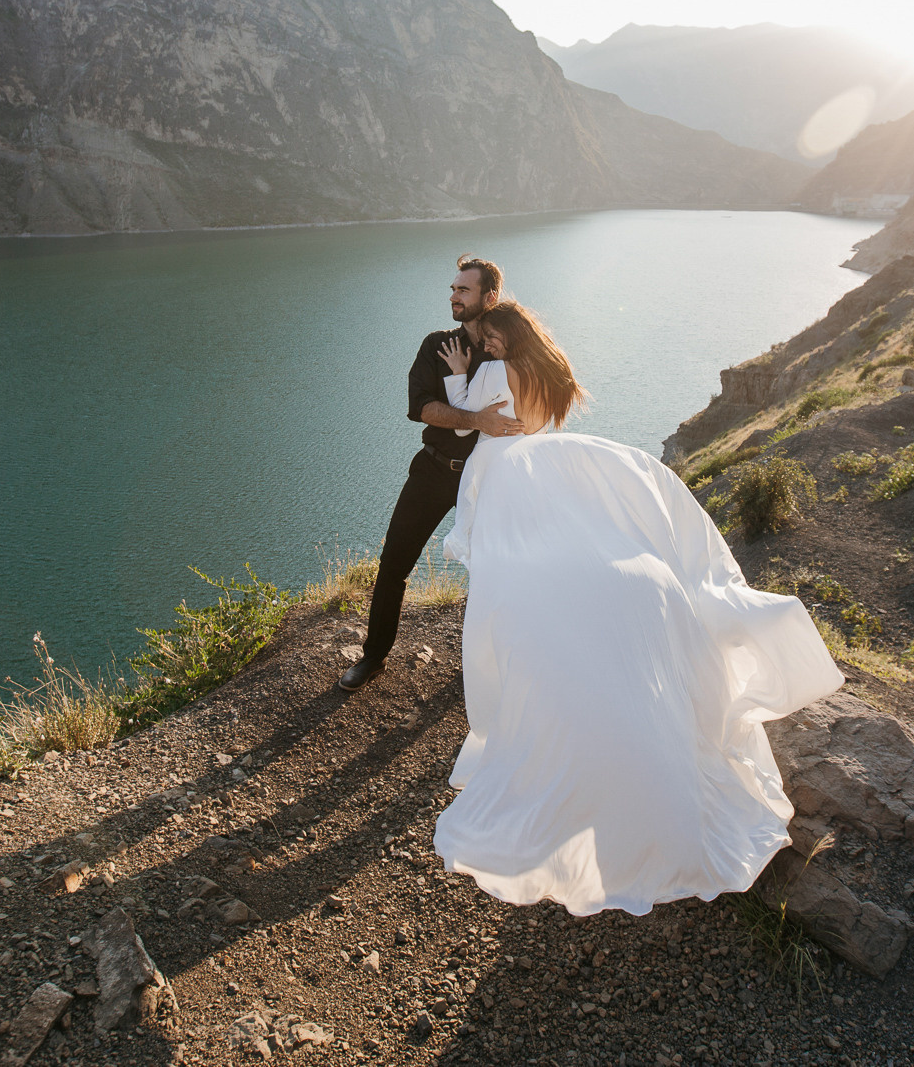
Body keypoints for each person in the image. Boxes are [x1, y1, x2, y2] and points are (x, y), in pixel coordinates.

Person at [431, 302, 844, 915]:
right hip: (537, 468)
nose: (486, 343)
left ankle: (531, 722)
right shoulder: (549, 375)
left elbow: (471, 424)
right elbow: (532, 422)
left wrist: (458, 372)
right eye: (483, 338)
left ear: (509, 337)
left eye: (492, 336)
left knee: (506, 589)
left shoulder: (494, 372)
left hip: (505, 481)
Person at [339, 255, 524, 693]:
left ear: (489, 297)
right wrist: (477, 420)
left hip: (487, 478)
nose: (453, 296)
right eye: (453, 289)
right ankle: (373, 656)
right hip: (434, 470)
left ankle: (503, 663)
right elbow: (420, 407)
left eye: (463, 290)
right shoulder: (437, 345)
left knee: (499, 568)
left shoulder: (508, 349)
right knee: (394, 563)